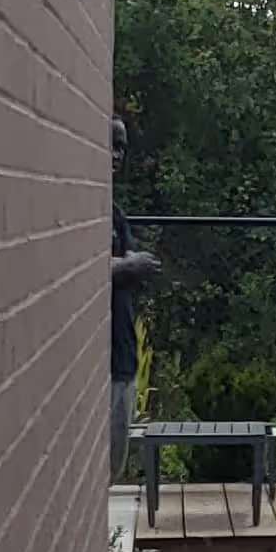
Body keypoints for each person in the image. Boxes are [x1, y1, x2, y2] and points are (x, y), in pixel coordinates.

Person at [108, 119, 159, 452]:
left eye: (121, 146)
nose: (115, 154)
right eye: (110, 143)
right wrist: (128, 265)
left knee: (114, 458)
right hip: (100, 364)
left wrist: (129, 265)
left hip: (123, 356)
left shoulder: (114, 212)